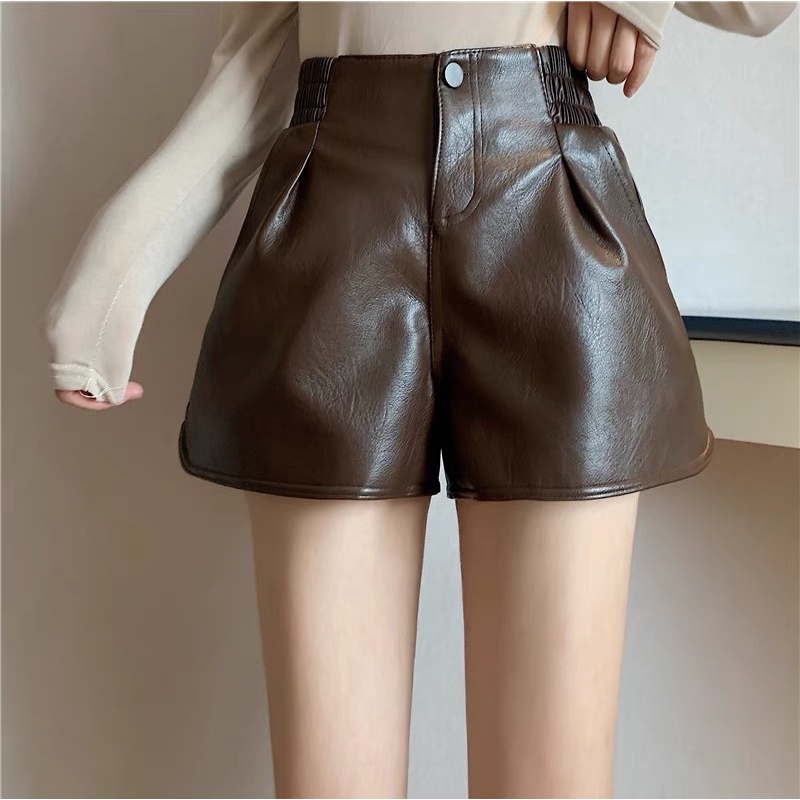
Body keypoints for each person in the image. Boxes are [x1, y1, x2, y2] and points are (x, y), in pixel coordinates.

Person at [39, 2, 797, 797]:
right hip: (335, 235)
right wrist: (109, 278)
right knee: (332, 784)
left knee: (550, 781)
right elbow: (253, 70)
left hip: (548, 212)